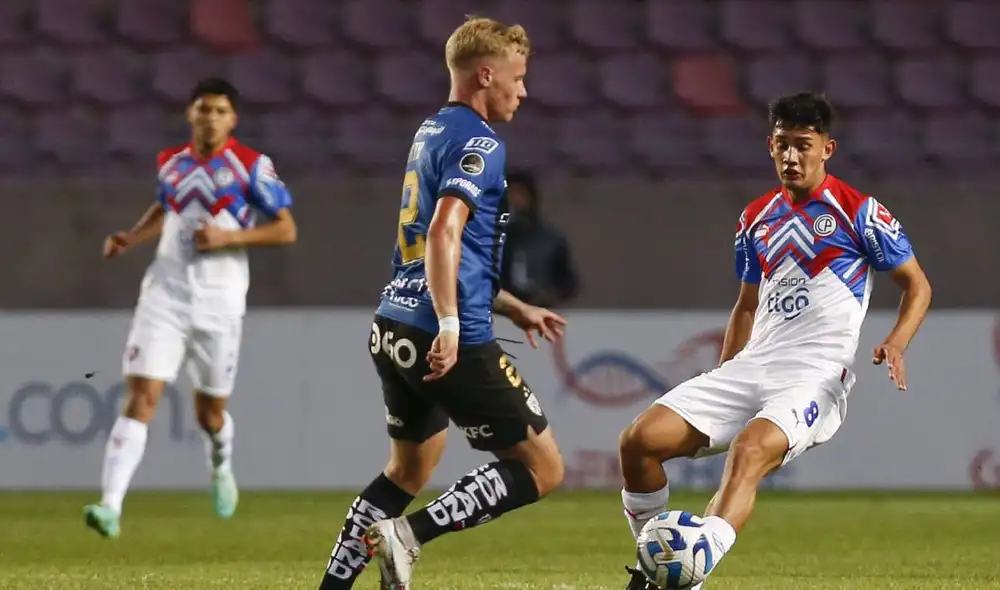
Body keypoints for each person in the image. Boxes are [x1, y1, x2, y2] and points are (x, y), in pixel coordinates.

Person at [619, 92, 932, 590]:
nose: (791, 156)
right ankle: (657, 569)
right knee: (639, 442)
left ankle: (690, 570)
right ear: (769, 145)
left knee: (749, 451)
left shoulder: (860, 212)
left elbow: (917, 285)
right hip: (753, 365)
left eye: (803, 145)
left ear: (827, 148)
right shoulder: (755, 217)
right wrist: (725, 368)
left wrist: (896, 342)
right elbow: (746, 305)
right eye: (782, 144)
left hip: (815, 375)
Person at [316, 17, 566, 590]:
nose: (523, 91)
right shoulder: (482, 143)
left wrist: (512, 305)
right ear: (486, 75)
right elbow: (443, 233)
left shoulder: (430, 131)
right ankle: (407, 536)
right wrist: (452, 324)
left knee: (408, 468)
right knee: (543, 467)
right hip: (443, 332)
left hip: (392, 323)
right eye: (517, 78)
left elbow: (450, 252)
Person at [83, 78, 297, 539]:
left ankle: (220, 461)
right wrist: (131, 237)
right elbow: (166, 207)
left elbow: (285, 229)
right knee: (142, 396)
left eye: (220, 111)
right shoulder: (171, 163)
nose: (210, 118)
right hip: (165, 295)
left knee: (209, 414)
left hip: (220, 303)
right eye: (203, 109)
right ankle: (110, 505)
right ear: (190, 114)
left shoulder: (251, 166)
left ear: (233, 119)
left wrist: (229, 238)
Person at [500, 170, 580, 308]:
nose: (514, 201)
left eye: (519, 194)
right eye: (509, 195)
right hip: (500, 312)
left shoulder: (551, 240)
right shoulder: (491, 240)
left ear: (531, 198)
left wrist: (549, 294)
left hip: (541, 311)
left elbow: (568, 283)